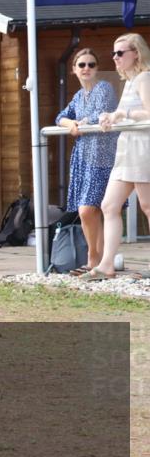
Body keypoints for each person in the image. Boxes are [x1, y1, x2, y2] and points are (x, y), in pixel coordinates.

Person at [84, 34, 150, 281]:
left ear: (136, 53)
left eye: (120, 53)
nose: (115, 58)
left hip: (143, 147)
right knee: (109, 205)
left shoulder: (144, 77)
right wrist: (109, 116)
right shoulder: (131, 80)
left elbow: (148, 112)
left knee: (147, 206)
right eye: (113, 53)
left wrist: (121, 113)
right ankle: (106, 265)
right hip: (127, 149)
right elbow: (128, 114)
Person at [54, 49, 119, 274]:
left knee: (87, 210)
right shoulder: (78, 96)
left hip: (102, 156)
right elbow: (60, 117)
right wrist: (71, 124)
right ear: (74, 70)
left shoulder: (104, 88)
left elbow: (99, 114)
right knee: (93, 210)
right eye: (82, 65)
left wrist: (78, 124)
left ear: (97, 68)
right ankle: (100, 262)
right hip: (83, 157)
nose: (86, 69)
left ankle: (93, 258)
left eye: (91, 64)